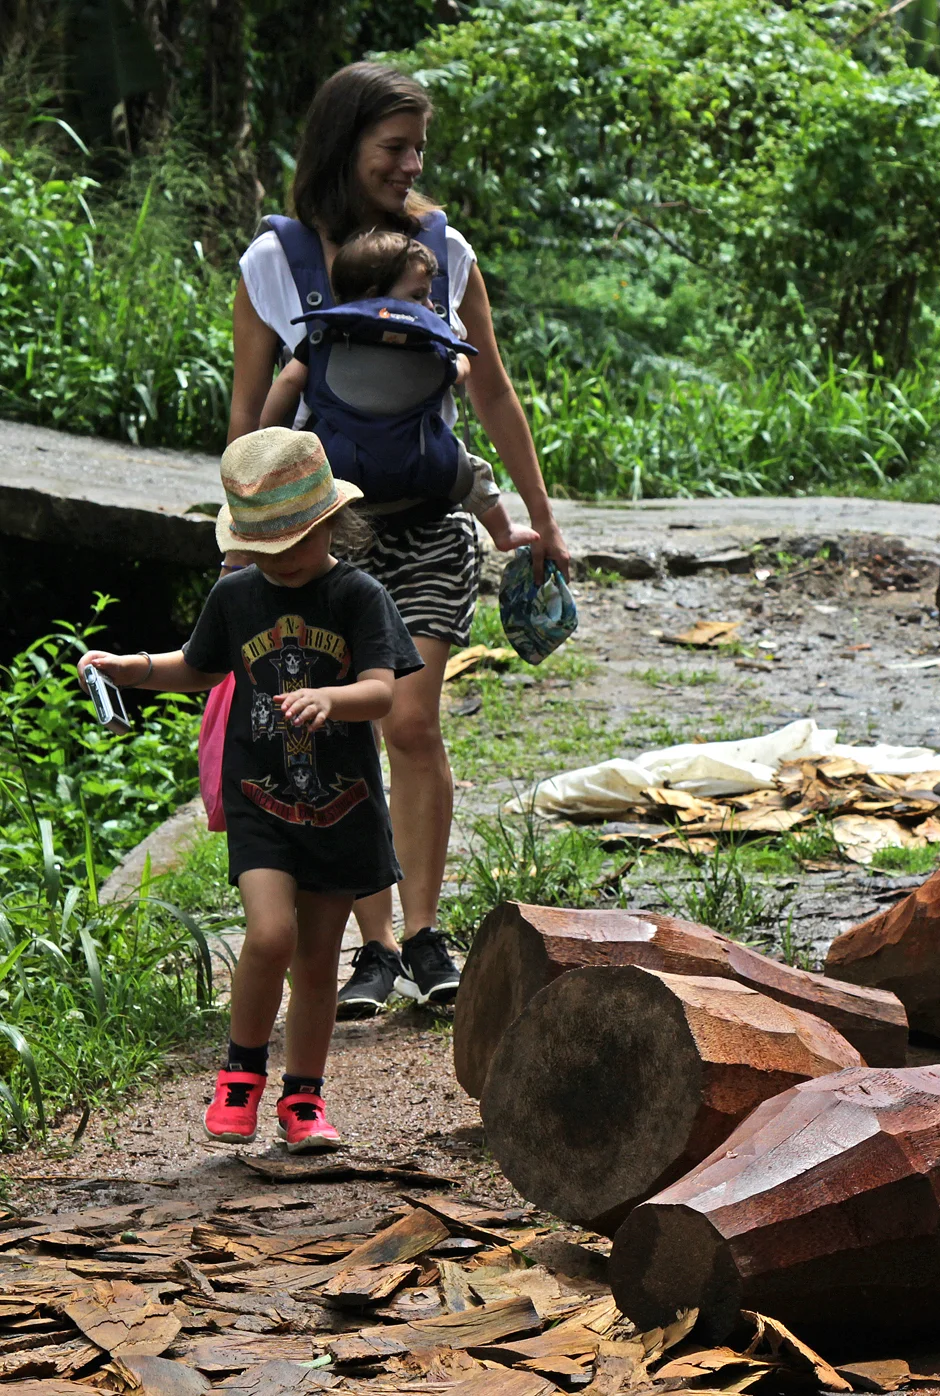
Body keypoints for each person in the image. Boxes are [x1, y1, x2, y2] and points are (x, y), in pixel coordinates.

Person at [227, 61, 573, 1018]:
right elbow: (251, 413)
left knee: (410, 721)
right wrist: (247, 542)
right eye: (394, 148)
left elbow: (491, 390)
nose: (411, 163)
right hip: (320, 540)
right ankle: (373, 946)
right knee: (339, 734)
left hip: (427, 527)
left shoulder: (444, 252)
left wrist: (538, 518)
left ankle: (424, 933)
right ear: (344, 145)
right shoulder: (275, 264)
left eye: (417, 147)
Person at [80, 429, 423, 1150]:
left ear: (330, 523)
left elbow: (383, 693)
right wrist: (133, 668)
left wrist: (335, 700)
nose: (278, 563)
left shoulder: (360, 595)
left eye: (292, 545)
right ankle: (241, 1075)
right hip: (261, 799)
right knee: (269, 933)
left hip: (343, 804)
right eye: (263, 549)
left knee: (319, 958)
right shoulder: (236, 595)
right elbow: (199, 667)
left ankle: (304, 1098)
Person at [258, 229, 539, 555]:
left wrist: (268, 440)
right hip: (427, 464)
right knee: (476, 473)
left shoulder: (324, 341)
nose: (429, 305)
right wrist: (461, 355)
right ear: (376, 296)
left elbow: (288, 383)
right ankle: (504, 532)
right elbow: (461, 372)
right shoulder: (428, 346)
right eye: (419, 295)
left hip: (337, 469)